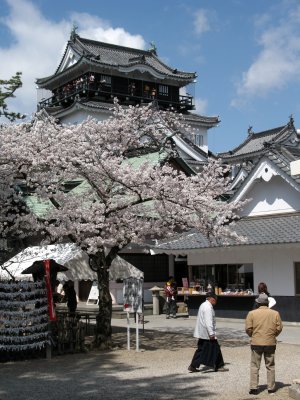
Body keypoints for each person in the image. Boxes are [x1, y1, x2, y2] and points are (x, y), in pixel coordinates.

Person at [245, 293, 283, 395]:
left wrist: (253, 336)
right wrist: (273, 335)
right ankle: (271, 388)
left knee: (254, 366)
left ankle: (253, 388)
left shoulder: (251, 313)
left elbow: (248, 329)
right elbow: (279, 328)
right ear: (267, 303)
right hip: (270, 343)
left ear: (258, 303)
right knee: (270, 366)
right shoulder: (275, 313)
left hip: (256, 342)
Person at [188, 292, 228, 373]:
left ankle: (193, 365)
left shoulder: (203, 305)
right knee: (215, 348)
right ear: (212, 299)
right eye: (215, 300)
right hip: (207, 333)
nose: (216, 302)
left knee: (202, 349)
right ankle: (219, 365)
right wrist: (211, 333)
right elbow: (208, 322)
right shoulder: (208, 308)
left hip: (203, 332)